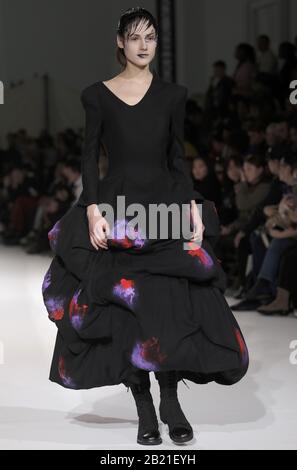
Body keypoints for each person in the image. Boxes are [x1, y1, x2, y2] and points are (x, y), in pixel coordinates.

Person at [41, 7, 249, 446]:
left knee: (167, 302)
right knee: (125, 309)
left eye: (150, 37)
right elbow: (89, 157)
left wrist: (191, 204)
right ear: (119, 41)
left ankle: (170, 402)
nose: (143, 44)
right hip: (117, 211)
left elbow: (176, 157)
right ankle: (144, 409)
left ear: (155, 42)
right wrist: (93, 210)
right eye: (134, 37)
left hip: (164, 206)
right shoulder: (96, 95)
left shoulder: (174, 94)